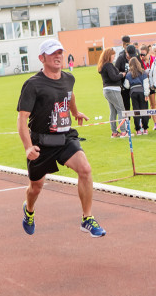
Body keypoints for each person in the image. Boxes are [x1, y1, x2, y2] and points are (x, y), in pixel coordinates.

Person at [17, 38, 105, 238]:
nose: (58, 57)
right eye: (53, 53)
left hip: (65, 136)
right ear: (42, 58)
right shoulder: (32, 85)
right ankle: (28, 210)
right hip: (41, 142)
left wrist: (75, 112)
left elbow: (70, 94)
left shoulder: (68, 78)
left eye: (60, 53)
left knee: (85, 169)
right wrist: (28, 147)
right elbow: (22, 118)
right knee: (36, 187)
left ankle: (87, 219)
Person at [98, 46, 126, 137]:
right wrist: (122, 75)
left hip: (107, 90)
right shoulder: (108, 65)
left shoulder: (104, 65)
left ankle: (114, 132)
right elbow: (113, 77)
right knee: (121, 110)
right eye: (113, 55)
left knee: (113, 111)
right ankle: (123, 131)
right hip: (113, 90)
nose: (114, 57)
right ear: (108, 56)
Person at [125, 56, 151, 135]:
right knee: (144, 110)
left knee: (136, 111)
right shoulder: (143, 73)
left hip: (133, 93)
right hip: (142, 92)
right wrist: (146, 94)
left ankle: (138, 129)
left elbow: (126, 86)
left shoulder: (129, 74)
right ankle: (145, 128)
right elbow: (146, 84)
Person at [114, 35, 133, 111]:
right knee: (126, 103)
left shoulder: (134, 52)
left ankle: (136, 121)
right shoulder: (121, 55)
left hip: (132, 83)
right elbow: (116, 69)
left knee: (132, 103)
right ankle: (128, 120)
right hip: (125, 84)